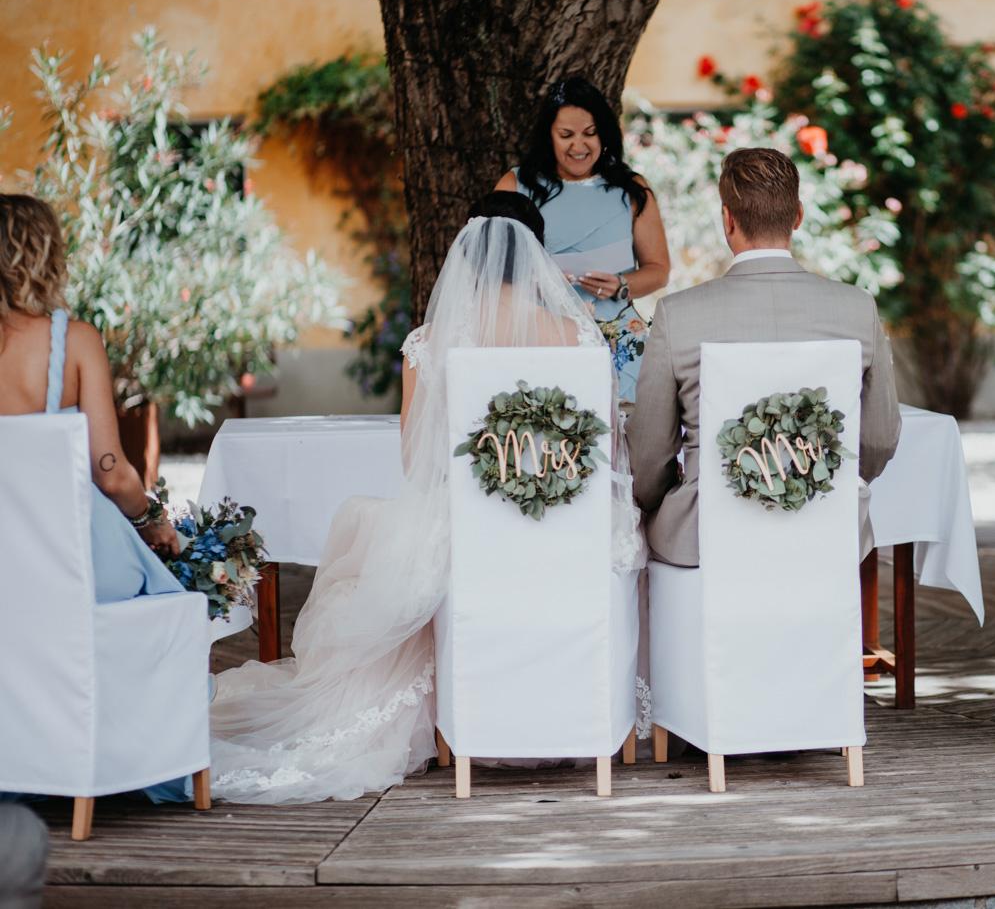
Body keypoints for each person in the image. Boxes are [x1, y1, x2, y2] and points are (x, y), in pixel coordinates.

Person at [195, 192, 644, 804]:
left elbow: (416, 462)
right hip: (564, 537)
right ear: (537, 254)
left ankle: (449, 732)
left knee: (375, 531)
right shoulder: (578, 335)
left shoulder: (432, 342)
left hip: (471, 544)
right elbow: (603, 450)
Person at [628, 147, 902, 568]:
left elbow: (648, 455)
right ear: (798, 216)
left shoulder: (678, 315)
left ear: (727, 220)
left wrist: (665, 496)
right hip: (828, 531)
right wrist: (826, 479)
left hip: (703, 538)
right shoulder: (856, 308)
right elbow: (880, 437)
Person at [0, 194, 181, 594]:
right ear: (43, 256)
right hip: (71, 559)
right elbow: (111, 473)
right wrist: (151, 520)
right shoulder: (75, 342)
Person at [496, 76, 670, 404]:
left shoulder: (632, 189)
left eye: (590, 134)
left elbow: (658, 269)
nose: (579, 146)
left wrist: (620, 284)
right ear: (548, 136)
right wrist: (536, 282)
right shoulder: (514, 186)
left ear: (605, 134)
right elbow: (491, 267)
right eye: (566, 135)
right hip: (538, 338)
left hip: (618, 344)